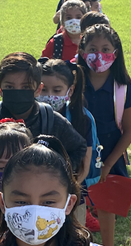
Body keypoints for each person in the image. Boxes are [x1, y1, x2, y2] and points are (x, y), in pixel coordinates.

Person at [0, 52, 87, 182]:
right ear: (0, 89)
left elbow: (79, 148)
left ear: (38, 89)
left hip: (37, 198)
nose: (18, 92)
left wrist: (57, 175)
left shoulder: (52, 122)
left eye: (26, 86)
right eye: (10, 87)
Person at [77, 25, 131, 246]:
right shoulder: (74, 80)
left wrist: (109, 164)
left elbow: (130, 131)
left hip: (108, 156)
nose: (98, 56)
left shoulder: (122, 86)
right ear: (81, 51)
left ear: (115, 52)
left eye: (105, 49)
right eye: (92, 49)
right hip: (78, 154)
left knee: (105, 205)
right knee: (75, 203)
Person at [38, 59, 101, 230]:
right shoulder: (32, 116)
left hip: (72, 190)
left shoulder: (83, 119)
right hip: (34, 193)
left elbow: (84, 167)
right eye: (43, 89)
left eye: (57, 90)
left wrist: (62, 194)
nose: (49, 95)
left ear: (70, 90)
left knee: (72, 235)